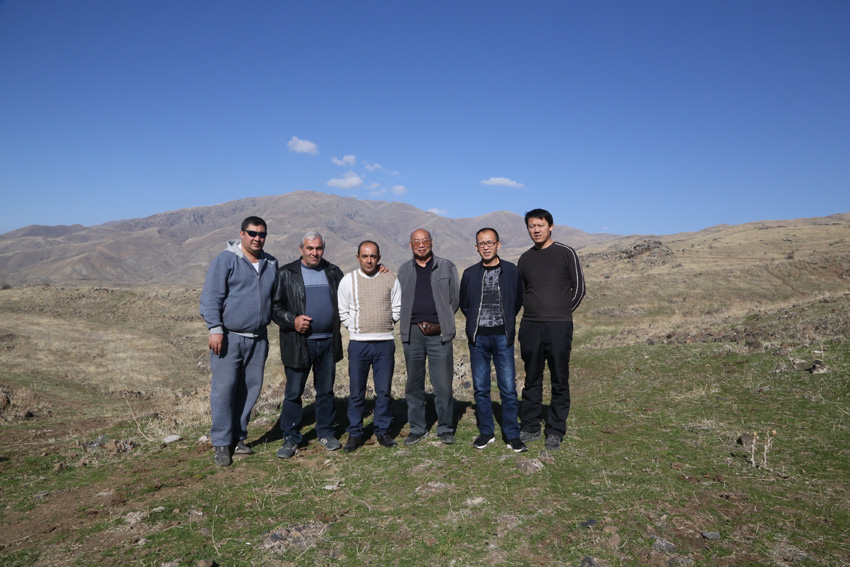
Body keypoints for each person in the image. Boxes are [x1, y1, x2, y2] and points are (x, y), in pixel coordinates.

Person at [199, 216, 277, 466]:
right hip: (229, 337)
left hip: (258, 338)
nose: (257, 238)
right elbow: (211, 296)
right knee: (224, 390)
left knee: (250, 389)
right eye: (252, 233)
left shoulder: (271, 263)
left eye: (262, 234)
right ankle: (222, 443)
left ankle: (238, 437)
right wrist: (215, 328)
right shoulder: (225, 260)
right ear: (242, 234)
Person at [271, 231, 344, 458]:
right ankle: (291, 438)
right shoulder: (286, 274)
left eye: (318, 248)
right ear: (301, 249)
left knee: (326, 391)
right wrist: (292, 320)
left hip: (328, 342)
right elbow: (275, 308)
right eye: (310, 248)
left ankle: (326, 432)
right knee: (294, 392)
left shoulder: (333, 272)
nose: (314, 252)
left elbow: (348, 297)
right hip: (298, 343)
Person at [517, 209, 586, 450]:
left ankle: (555, 430)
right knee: (532, 378)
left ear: (550, 226)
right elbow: (522, 292)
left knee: (559, 378)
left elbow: (579, 289)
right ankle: (530, 426)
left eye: (540, 225)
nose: (536, 230)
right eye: (531, 226)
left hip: (559, 326)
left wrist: (563, 313)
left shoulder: (566, 253)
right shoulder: (525, 258)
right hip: (531, 326)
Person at [459, 227, 527, 453]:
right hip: (478, 339)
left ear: (498, 244)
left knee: (508, 388)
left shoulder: (511, 271)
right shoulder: (469, 274)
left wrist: (505, 323)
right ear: (476, 247)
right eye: (482, 243)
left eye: (490, 242)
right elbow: (465, 304)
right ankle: (486, 432)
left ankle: (512, 435)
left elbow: (516, 300)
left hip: (502, 338)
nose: (486, 247)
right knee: (481, 388)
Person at [337, 240, 402, 452]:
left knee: (383, 391)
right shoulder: (348, 281)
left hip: (384, 343)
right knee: (357, 391)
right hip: (359, 344)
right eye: (365, 256)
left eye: (373, 256)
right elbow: (343, 311)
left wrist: (385, 323)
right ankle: (355, 433)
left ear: (379, 257)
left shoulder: (390, 279)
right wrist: (355, 327)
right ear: (358, 257)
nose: (369, 260)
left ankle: (382, 431)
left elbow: (397, 307)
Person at [398, 228, 460, 445]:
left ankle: (445, 427)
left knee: (443, 384)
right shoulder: (403, 270)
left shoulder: (447, 266)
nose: (421, 245)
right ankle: (417, 428)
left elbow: (454, 299)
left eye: (425, 241)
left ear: (432, 242)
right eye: (416, 242)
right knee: (413, 384)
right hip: (412, 332)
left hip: (439, 332)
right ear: (410, 245)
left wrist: (442, 321)